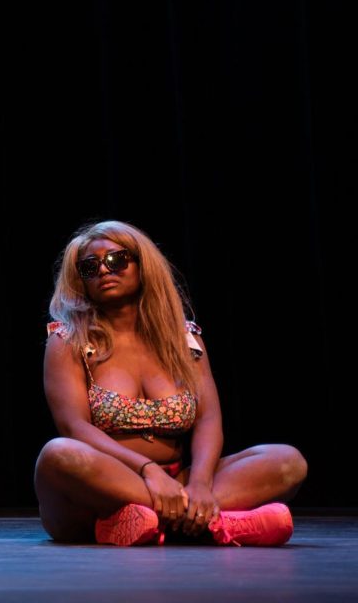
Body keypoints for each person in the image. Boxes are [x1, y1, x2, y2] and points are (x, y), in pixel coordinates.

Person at [35, 220, 307, 546]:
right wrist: (148, 470)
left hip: (176, 478)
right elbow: (74, 427)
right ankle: (219, 523)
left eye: (117, 260)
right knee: (59, 454)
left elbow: (208, 419)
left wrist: (202, 483)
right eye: (90, 267)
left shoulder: (184, 338)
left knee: (288, 462)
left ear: (142, 265)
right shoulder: (67, 341)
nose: (104, 271)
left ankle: (155, 520)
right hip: (100, 490)